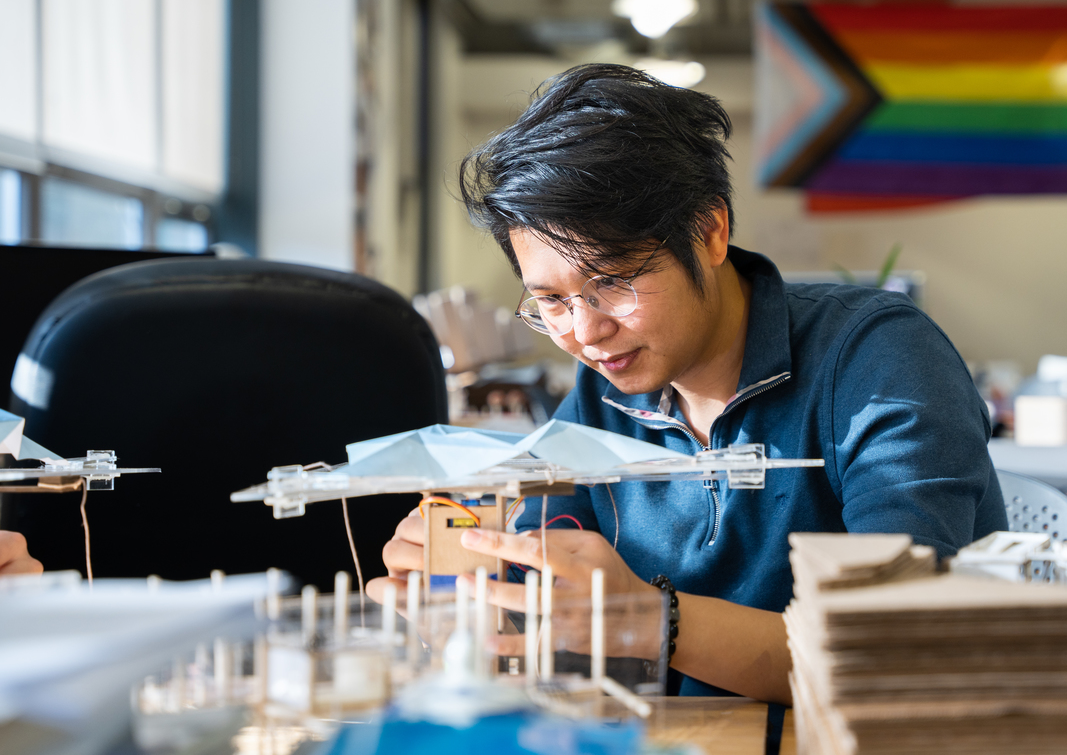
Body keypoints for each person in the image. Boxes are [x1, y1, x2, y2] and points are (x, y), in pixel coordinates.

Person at [368, 64, 1007, 704]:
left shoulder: (877, 361)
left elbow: (892, 647)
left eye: (613, 282)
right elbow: (546, 596)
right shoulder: (603, 395)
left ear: (710, 232)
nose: (586, 334)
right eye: (551, 303)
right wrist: (470, 580)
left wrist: (649, 620)